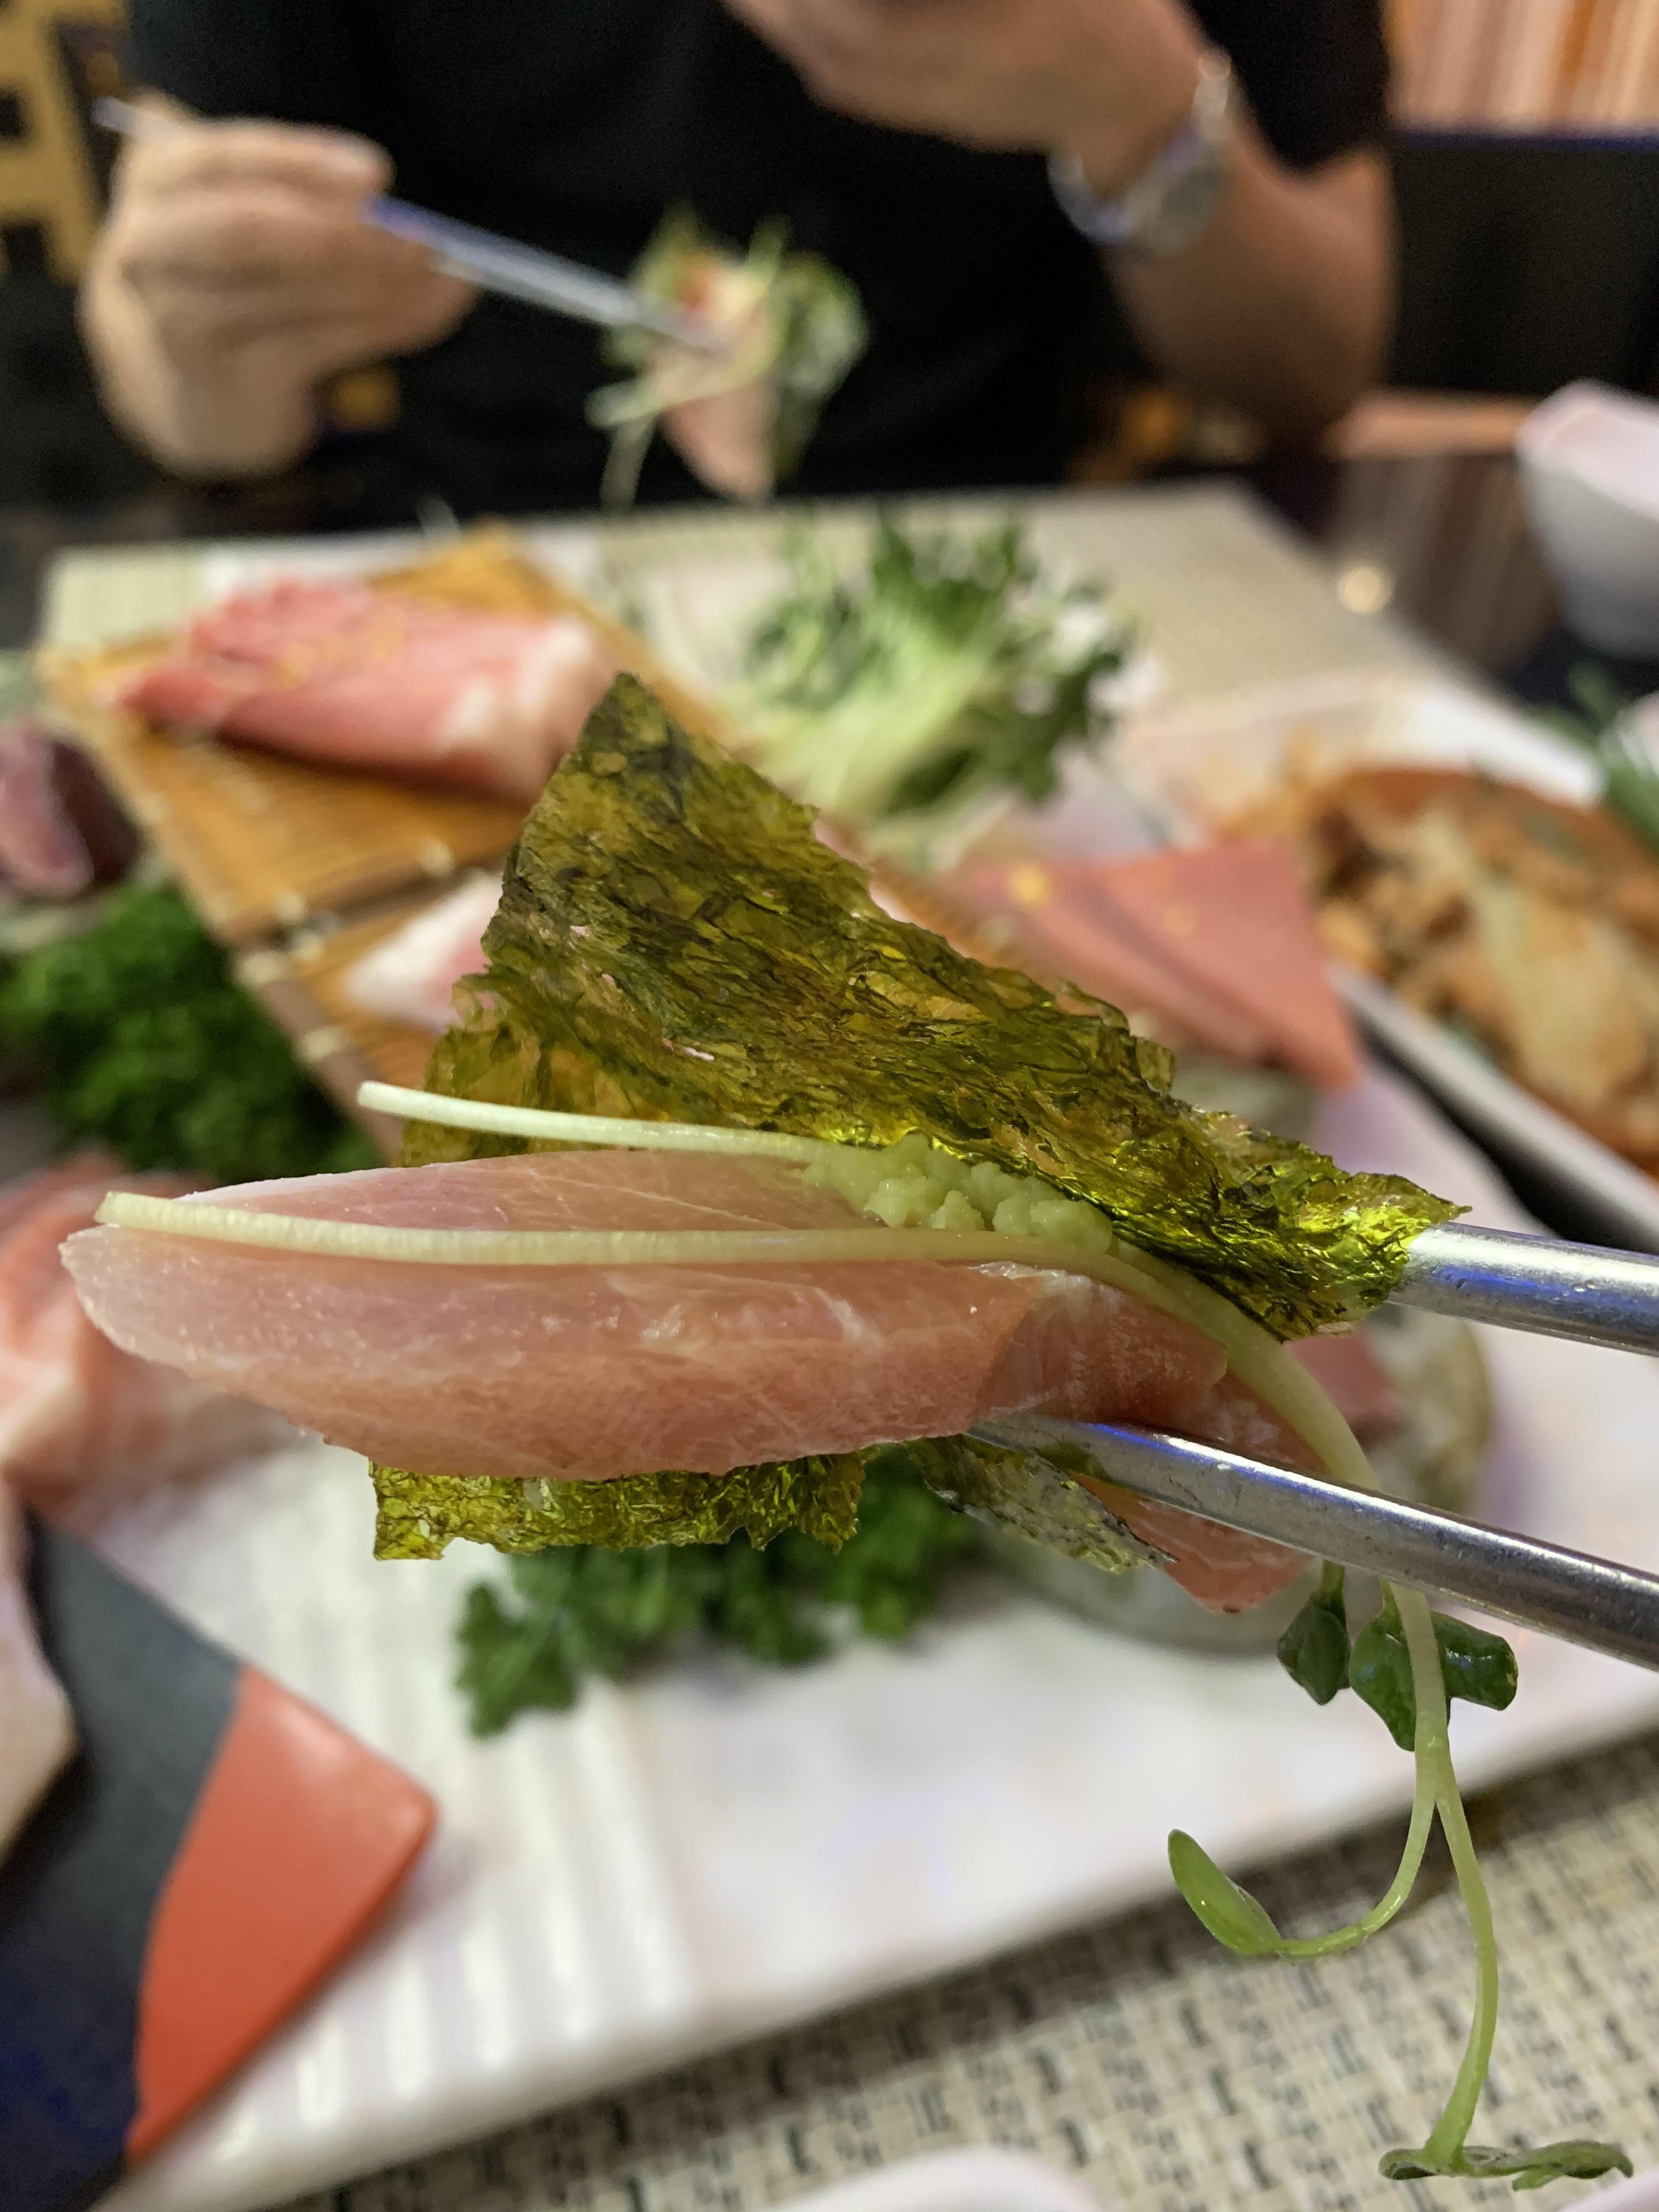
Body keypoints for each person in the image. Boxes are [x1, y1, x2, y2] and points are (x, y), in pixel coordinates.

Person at [81, 0, 1395, 518]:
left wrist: (1141, 112)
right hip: (485, 559)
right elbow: (159, 358)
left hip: (1015, 576)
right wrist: (204, 372)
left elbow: (1318, 365)